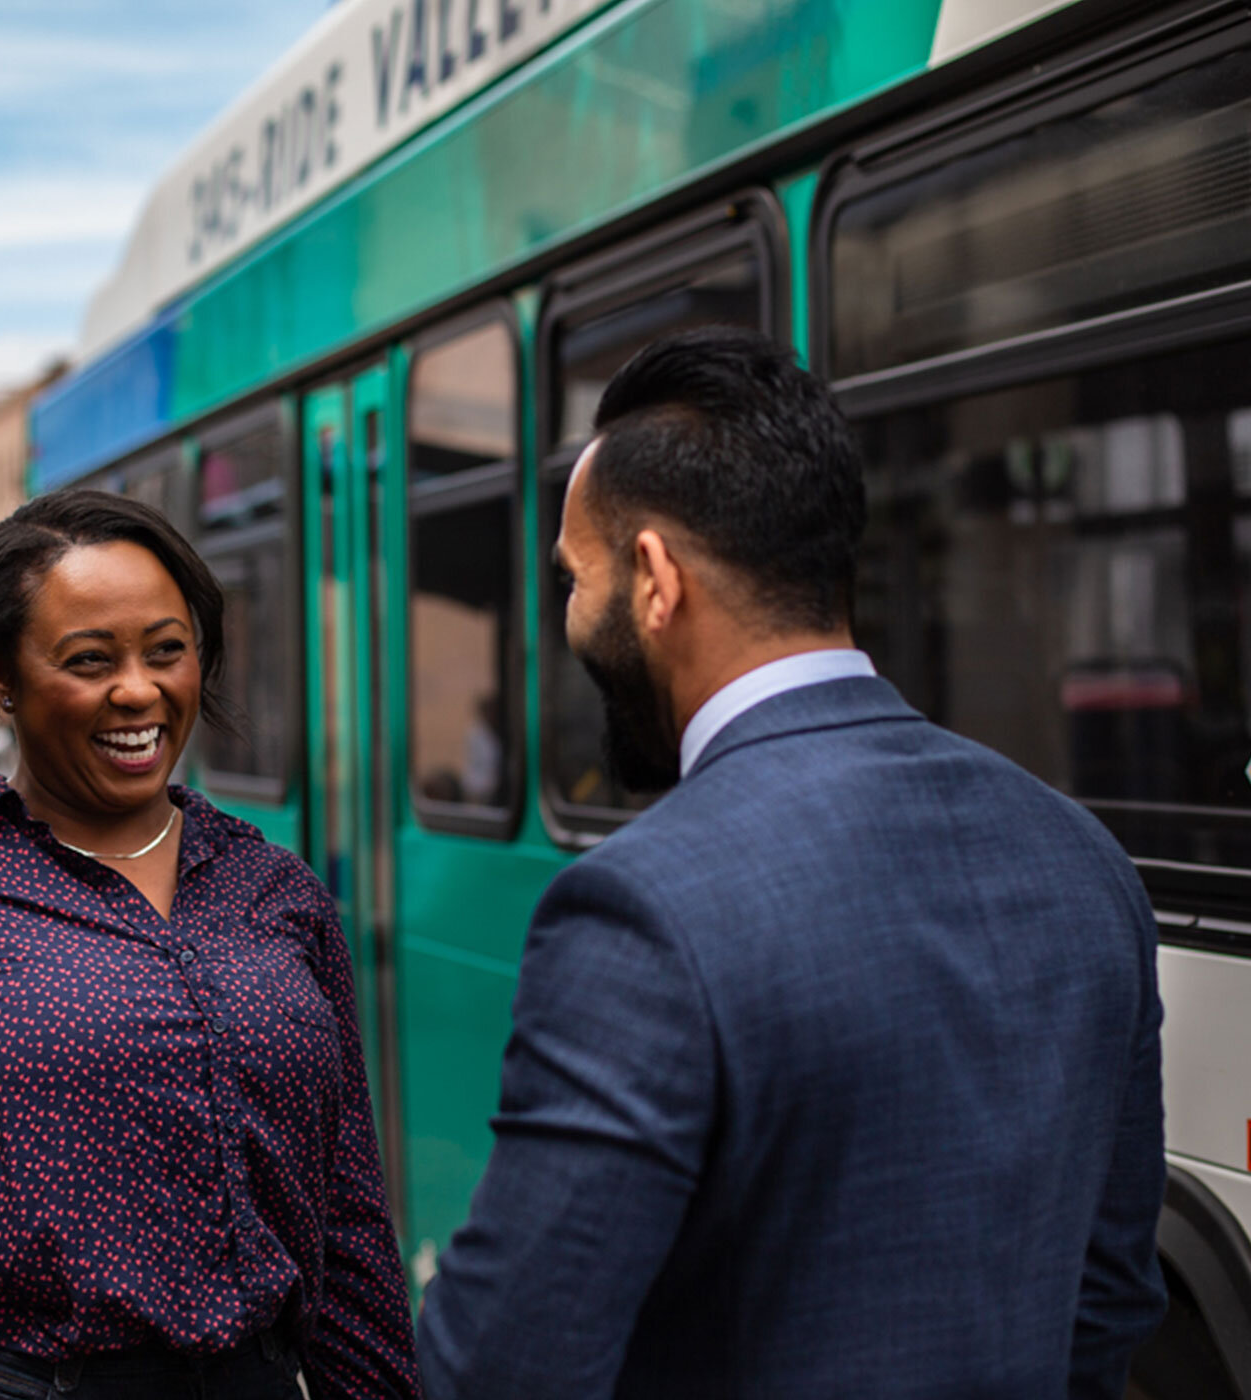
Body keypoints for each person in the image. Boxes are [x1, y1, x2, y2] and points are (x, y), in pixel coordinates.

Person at [415, 327, 1167, 1399]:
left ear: (653, 578)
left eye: (573, 581)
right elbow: (1108, 1297)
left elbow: (503, 1366)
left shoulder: (639, 906)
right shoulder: (1081, 854)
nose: (571, 622)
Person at [0, 489, 420, 1400]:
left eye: (166, 652)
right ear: (2, 672)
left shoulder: (278, 895)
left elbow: (349, 1225)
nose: (137, 690)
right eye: (89, 660)